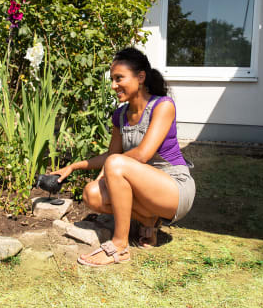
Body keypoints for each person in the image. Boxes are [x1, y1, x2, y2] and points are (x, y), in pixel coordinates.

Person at [52, 47, 196, 267]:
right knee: (91, 193)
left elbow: (142, 154)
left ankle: (119, 246)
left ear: (140, 77)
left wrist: (108, 169)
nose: (113, 85)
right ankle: (148, 220)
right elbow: (112, 155)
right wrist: (73, 166)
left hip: (174, 188)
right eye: (112, 79)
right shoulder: (120, 115)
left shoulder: (162, 106)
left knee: (115, 165)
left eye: (119, 78)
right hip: (144, 189)